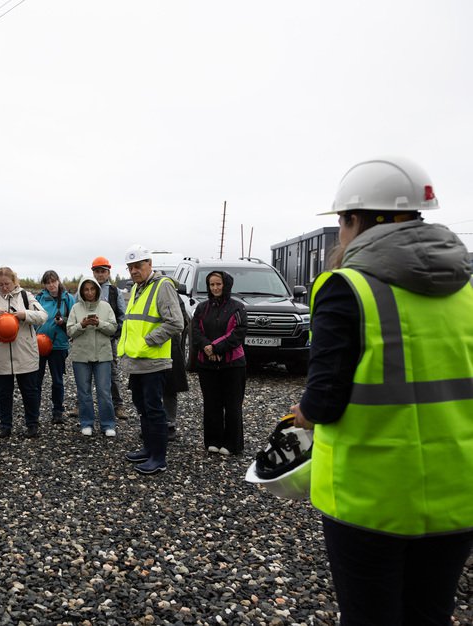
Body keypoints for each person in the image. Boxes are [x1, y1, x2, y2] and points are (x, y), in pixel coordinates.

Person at [290, 157, 473, 625]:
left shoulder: (345, 287)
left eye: (341, 222)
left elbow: (324, 399)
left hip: (371, 499)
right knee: (430, 613)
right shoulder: (466, 289)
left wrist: (304, 413)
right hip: (459, 493)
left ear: (355, 219)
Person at [118, 244, 184, 475]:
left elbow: (176, 322)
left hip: (153, 361)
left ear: (149, 264)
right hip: (137, 360)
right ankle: (148, 449)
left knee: (154, 409)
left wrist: (149, 340)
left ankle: (159, 458)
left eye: (138, 266)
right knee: (143, 407)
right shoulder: (138, 288)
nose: (134, 271)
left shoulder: (162, 286)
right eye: (130, 267)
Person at [0, 267, 48, 438]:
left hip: (25, 353)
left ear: (14, 281)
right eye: (0, 285)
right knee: (3, 393)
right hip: (0, 354)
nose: (4, 287)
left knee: (29, 391)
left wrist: (24, 315)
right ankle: (5, 426)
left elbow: (43, 316)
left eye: (7, 284)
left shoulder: (25, 296)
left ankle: (32, 424)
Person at [192, 271, 247, 455]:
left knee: (232, 405)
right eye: (212, 284)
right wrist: (206, 347)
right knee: (211, 403)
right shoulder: (202, 308)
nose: (215, 288)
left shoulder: (237, 308)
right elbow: (195, 331)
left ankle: (232, 443)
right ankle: (213, 440)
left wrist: (216, 348)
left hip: (232, 365)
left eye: (218, 284)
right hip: (207, 364)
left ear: (226, 285)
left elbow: (238, 332)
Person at [66, 277, 117, 436]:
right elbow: (70, 331)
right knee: (84, 392)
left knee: (104, 392)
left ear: (97, 290)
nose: (89, 292)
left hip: (103, 356)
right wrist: (82, 325)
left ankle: (108, 425)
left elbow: (113, 328)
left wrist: (99, 323)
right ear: (81, 291)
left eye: (92, 289)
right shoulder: (75, 308)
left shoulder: (106, 306)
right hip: (81, 356)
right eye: (86, 289)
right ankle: (86, 423)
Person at [91, 257, 129, 419]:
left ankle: (118, 405)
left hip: (108, 340)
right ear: (93, 272)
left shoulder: (114, 291)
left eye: (103, 271)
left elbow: (122, 315)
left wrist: (115, 334)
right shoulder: (86, 288)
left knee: (112, 372)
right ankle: (80, 404)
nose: (100, 274)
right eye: (97, 271)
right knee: (85, 373)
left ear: (108, 273)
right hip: (87, 339)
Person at [35, 270, 75, 423]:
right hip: (39, 344)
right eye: (48, 282)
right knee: (36, 381)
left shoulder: (68, 299)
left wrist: (63, 320)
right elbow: (32, 318)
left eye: (53, 281)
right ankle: (34, 412)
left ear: (58, 281)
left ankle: (58, 411)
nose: (51, 285)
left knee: (57, 381)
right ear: (44, 284)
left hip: (59, 346)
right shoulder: (39, 298)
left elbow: (74, 319)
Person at [162, 292, 191, 441]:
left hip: (170, 347)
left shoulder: (172, 294)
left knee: (170, 388)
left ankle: (169, 424)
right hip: (147, 348)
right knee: (148, 388)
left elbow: (182, 322)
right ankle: (151, 423)